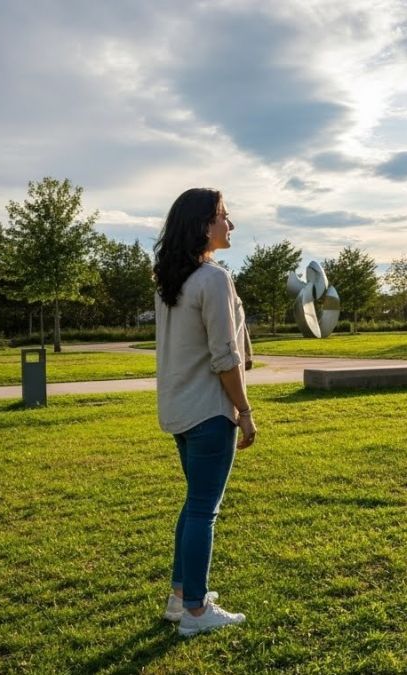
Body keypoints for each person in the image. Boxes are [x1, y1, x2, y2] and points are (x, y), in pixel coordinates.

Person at [152, 187, 256, 637]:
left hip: (179, 410)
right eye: (223, 216)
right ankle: (195, 611)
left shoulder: (173, 281)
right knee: (203, 509)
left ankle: (181, 597)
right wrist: (245, 411)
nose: (230, 225)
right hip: (210, 412)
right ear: (202, 225)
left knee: (194, 505)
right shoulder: (212, 279)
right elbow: (225, 358)